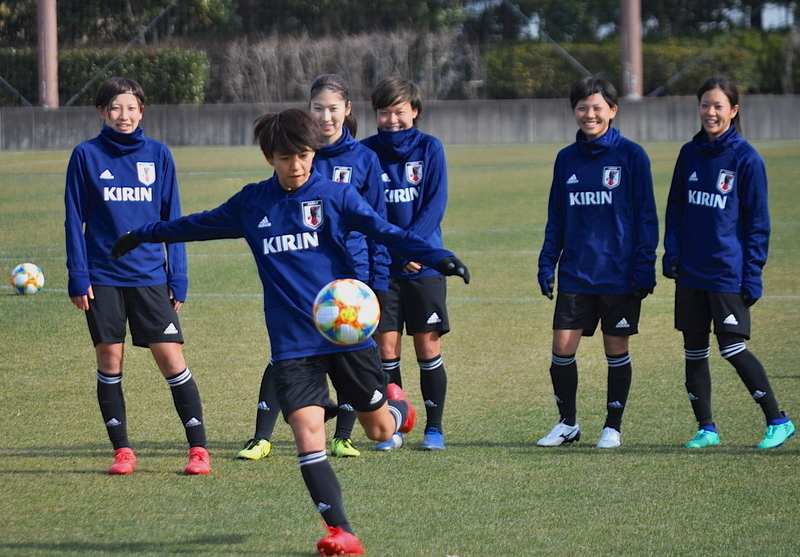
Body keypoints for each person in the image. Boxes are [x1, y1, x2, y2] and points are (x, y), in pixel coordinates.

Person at [110, 108, 469, 555]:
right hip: (292, 342)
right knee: (306, 433)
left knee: (380, 431)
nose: (296, 166)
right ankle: (342, 531)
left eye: (302, 155)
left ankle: (398, 408)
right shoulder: (252, 203)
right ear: (269, 157)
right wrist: (143, 234)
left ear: (313, 151)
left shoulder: (336, 196)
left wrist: (437, 256)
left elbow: (384, 230)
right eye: (284, 157)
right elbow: (194, 224)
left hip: (345, 334)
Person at [236, 74, 391, 461]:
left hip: (352, 283)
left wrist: (377, 281)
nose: (325, 116)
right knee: (289, 355)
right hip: (306, 277)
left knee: (350, 371)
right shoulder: (300, 152)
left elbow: (380, 225)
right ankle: (264, 435)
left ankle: (347, 433)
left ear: (347, 110)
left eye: (333, 108)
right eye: (318, 108)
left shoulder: (364, 159)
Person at [64, 77, 210, 475]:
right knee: (110, 359)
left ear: (141, 111)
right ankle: (122, 451)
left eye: (130, 108)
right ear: (101, 113)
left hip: (150, 276)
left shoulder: (159, 156)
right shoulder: (85, 156)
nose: (123, 115)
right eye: (115, 108)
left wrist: (177, 276)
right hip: (102, 276)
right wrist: (78, 275)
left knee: (171, 358)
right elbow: (72, 219)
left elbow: (173, 221)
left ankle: (198, 450)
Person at [663, 75, 795, 450]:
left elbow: (758, 223)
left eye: (718, 105)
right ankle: (706, 428)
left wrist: (752, 274)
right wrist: (671, 252)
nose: (710, 112)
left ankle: (778, 419)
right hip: (690, 270)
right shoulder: (689, 153)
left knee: (732, 348)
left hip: (726, 272)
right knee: (694, 351)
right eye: (705, 104)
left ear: (733, 110)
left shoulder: (746, 158)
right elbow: (676, 207)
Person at [536, 75, 658, 449]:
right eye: (582, 107)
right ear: (574, 111)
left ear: (613, 111)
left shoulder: (632, 156)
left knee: (615, 350)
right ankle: (567, 424)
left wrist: (644, 267)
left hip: (619, 275)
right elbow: (557, 215)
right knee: (562, 348)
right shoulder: (566, 159)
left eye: (597, 107)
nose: (590, 114)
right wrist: (546, 262)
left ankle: (613, 426)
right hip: (575, 271)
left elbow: (646, 216)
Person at [361, 77, 453, 451]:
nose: (392, 119)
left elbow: (435, 203)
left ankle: (434, 428)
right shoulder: (365, 153)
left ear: (414, 111)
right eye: (385, 113)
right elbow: (362, 211)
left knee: (427, 350)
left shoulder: (431, 149)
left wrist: (413, 249)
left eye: (399, 111)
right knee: (386, 351)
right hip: (382, 269)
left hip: (425, 268)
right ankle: (393, 425)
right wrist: (396, 253)